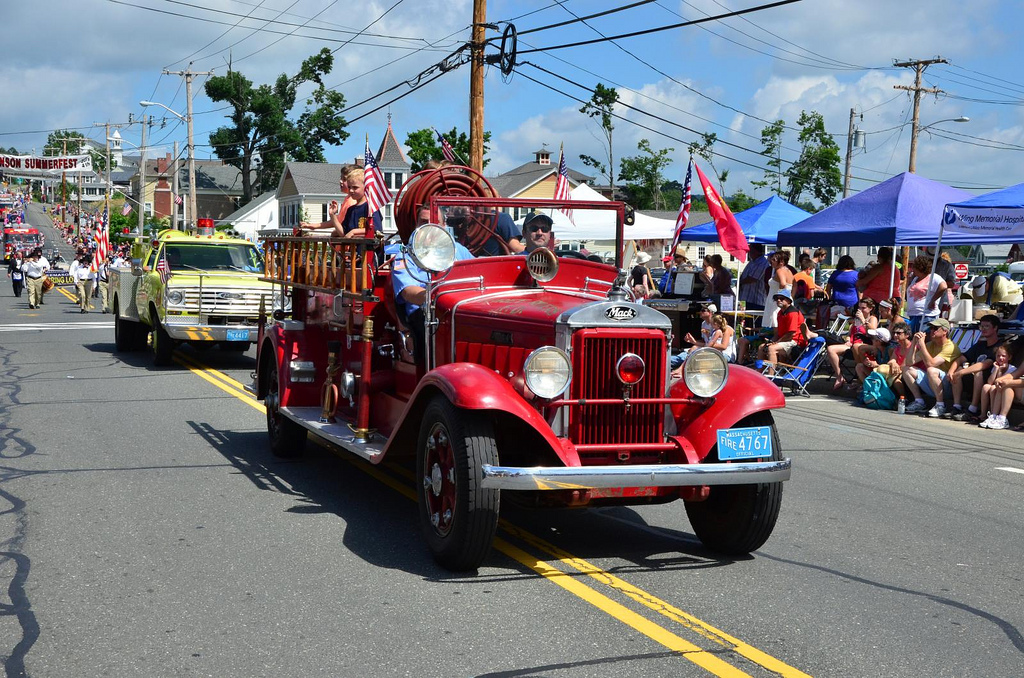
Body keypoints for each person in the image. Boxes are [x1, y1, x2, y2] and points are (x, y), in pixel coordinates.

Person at [389, 233, 474, 367]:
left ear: (444, 225)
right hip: (423, 311)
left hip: (457, 309)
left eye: (435, 222)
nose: (430, 228)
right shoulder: (406, 256)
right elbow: (407, 290)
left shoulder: (458, 250)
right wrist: (433, 297)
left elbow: (478, 271)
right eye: (424, 222)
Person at [945, 314, 1002, 422]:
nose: (983, 329)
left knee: (978, 372)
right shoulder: (980, 345)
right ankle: (956, 406)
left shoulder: (999, 346)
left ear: (995, 328)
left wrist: (961, 373)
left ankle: (973, 409)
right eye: (981, 326)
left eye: (987, 326)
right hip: (974, 382)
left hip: (990, 379)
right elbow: (961, 358)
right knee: (957, 369)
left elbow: (985, 364)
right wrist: (952, 371)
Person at [901, 318, 962, 415]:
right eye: (931, 328)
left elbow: (931, 364)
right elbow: (909, 362)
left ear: (945, 331)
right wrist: (914, 343)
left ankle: (940, 405)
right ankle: (919, 402)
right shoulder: (930, 345)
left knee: (931, 370)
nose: (931, 331)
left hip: (948, 385)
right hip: (933, 382)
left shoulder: (950, 347)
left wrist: (922, 345)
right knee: (906, 369)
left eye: (935, 328)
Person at [826, 297, 880, 390]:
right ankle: (839, 376)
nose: (860, 310)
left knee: (856, 346)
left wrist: (863, 320)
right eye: (859, 308)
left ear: (870, 308)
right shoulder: (857, 319)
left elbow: (873, 333)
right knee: (830, 349)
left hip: (865, 345)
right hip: (852, 344)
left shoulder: (872, 319)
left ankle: (860, 378)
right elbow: (850, 333)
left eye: (863, 308)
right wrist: (848, 340)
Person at [756, 290, 806, 373]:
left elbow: (791, 333)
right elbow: (778, 332)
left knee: (771, 349)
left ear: (788, 301)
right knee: (762, 347)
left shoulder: (792, 313)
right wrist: (772, 341)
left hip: (795, 341)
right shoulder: (780, 313)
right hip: (785, 340)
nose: (778, 300)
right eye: (776, 299)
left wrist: (776, 342)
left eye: (782, 298)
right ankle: (759, 372)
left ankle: (771, 376)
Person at [978, 346, 1019, 430]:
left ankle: (994, 415)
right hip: (996, 387)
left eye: (1003, 356)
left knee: (993, 388)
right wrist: (997, 369)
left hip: (1005, 391)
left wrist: (1001, 371)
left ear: (1009, 357)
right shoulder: (995, 367)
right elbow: (990, 381)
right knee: (986, 387)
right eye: (998, 356)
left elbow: (999, 382)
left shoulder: (1012, 369)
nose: (1000, 358)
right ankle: (984, 414)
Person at [904, 255, 948, 333]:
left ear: (920, 267)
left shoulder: (933, 277)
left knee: (923, 338)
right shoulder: (915, 279)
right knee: (914, 338)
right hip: (913, 315)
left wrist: (932, 300)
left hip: (926, 315)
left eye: (914, 267)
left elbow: (943, 286)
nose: (912, 269)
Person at [762, 250, 794, 329]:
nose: (771, 261)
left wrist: (779, 298)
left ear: (781, 262)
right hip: (786, 300)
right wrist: (790, 297)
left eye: (774, 260)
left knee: (775, 324)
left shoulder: (780, 270)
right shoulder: (789, 271)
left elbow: (783, 284)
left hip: (776, 302)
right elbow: (794, 285)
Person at [738, 243, 770, 312]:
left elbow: (753, 278)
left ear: (755, 251)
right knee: (742, 320)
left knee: (755, 321)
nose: (748, 252)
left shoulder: (763, 263)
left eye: (750, 250)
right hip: (744, 299)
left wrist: (740, 282)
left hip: (755, 301)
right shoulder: (751, 262)